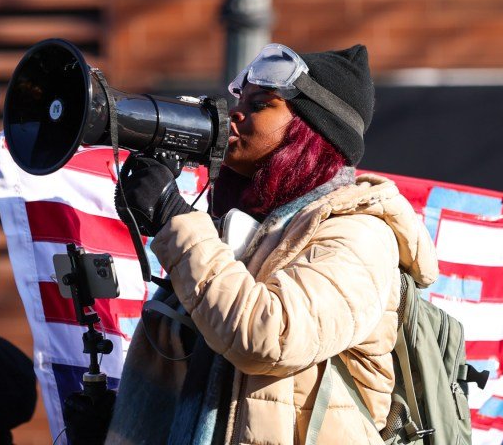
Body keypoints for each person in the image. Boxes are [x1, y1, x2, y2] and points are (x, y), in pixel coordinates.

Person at [105, 43, 439, 445]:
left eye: (262, 104)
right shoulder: (243, 233)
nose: (236, 114)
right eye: (239, 99)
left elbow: (271, 338)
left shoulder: (359, 235)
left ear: (311, 131)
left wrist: (176, 220)